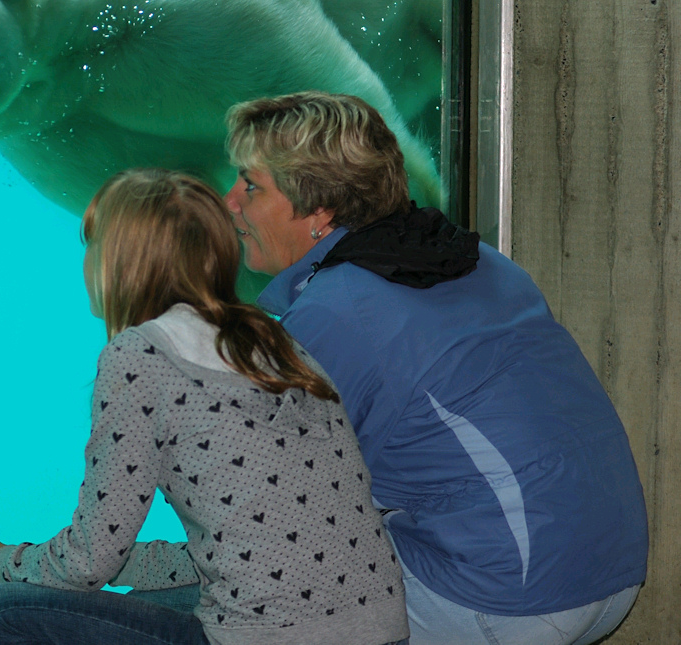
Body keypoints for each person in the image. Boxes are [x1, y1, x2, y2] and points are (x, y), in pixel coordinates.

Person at [0, 169, 410, 645]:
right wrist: (65, 562)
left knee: (4, 612)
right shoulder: (273, 340)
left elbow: (89, 563)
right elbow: (239, 550)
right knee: (146, 594)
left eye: (91, 244)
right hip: (378, 631)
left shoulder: (141, 356)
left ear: (119, 261)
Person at [222, 91, 648, 645]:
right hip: (610, 573)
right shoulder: (478, 259)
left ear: (319, 210)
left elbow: (270, 500)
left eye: (250, 185)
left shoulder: (334, 311)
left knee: (246, 600)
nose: (230, 201)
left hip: (504, 596)